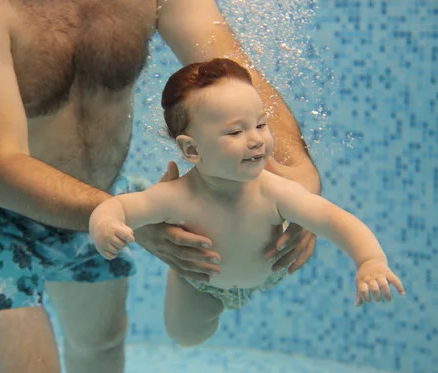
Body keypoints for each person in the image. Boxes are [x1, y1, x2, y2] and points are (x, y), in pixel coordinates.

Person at [0, 0, 321, 373]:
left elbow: (237, 74)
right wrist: (129, 218)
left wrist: (299, 179)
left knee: (101, 347)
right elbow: (0, 165)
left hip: (96, 193)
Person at [89, 58, 406, 347]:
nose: (256, 139)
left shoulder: (275, 191)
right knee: (186, 335)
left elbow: (333, 220)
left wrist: (369, 261)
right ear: (192, 151)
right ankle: (185, 285)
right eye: (236, 131)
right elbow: (118, 207)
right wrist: (104, 224)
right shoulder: (176, 197)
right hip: (200, 281)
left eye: (261, 124)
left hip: (266, 274)